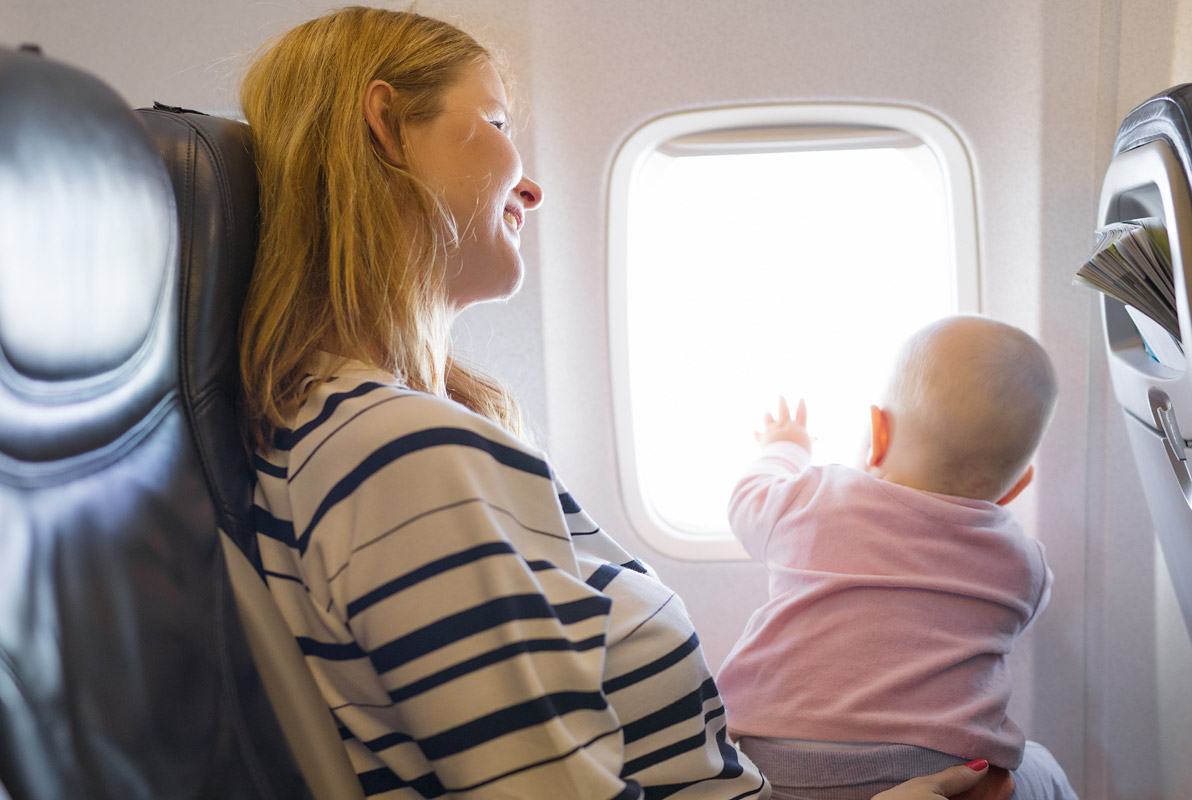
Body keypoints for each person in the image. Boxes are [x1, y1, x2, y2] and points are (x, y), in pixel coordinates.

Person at [237, 7, 998, 798]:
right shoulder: (401, 454)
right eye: (495, 121)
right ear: (387, 128)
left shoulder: (365, 431)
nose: (530, 184)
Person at [717, 315, 1078, 800]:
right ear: (1016, 487)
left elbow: (747, 499)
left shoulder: (814, 496)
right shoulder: (1024, 565)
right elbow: (1016, 617)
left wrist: (786, 446)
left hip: (773, 762)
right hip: (937, 771)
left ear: (877, 433)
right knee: (1045, 770)